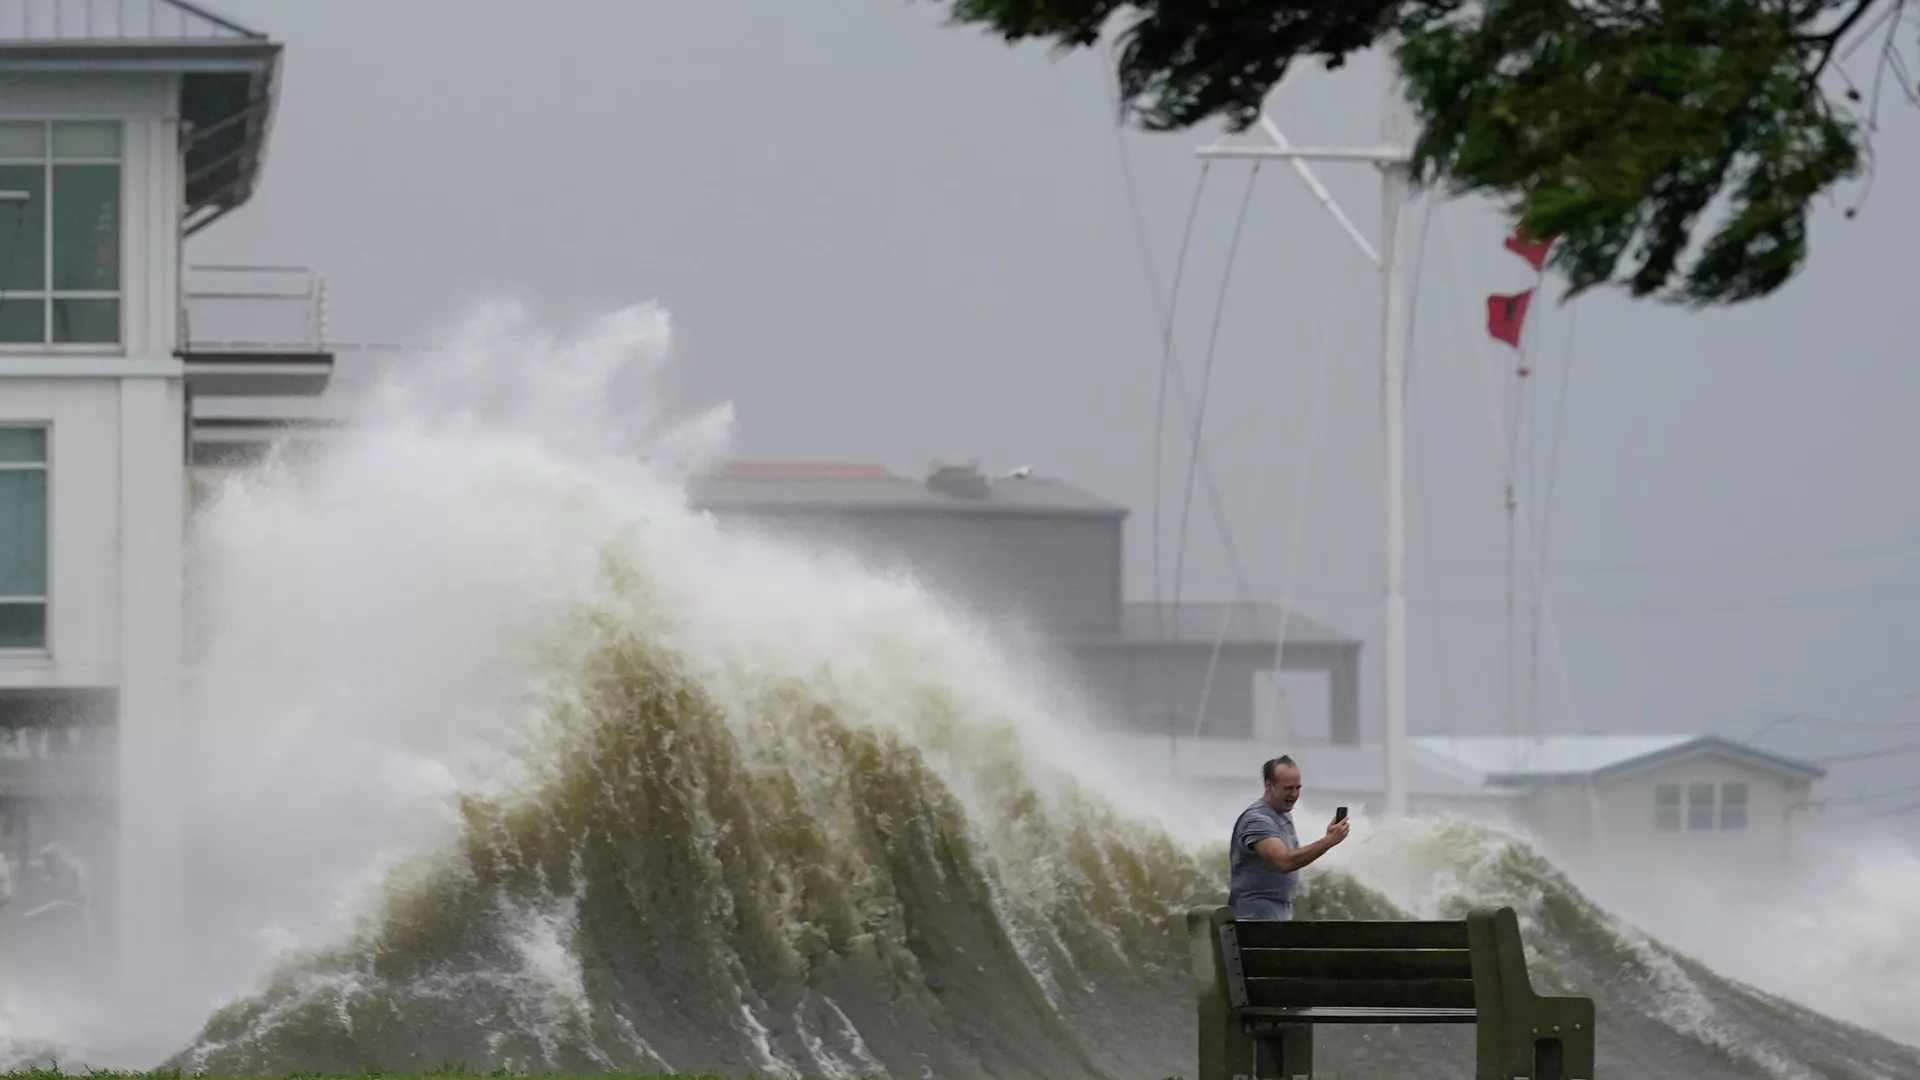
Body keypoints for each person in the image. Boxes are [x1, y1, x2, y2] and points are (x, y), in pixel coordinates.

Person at [1227, 754, 1349, 920]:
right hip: (1253, 921)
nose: (1294, 794)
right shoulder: (1256, 820)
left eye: (1297, 788)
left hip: (1278, 917)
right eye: (1288, 788)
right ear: (1269, 785)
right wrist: (1328, 841)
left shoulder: (1283, 815)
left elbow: (1294, 859)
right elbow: (1283, 861)